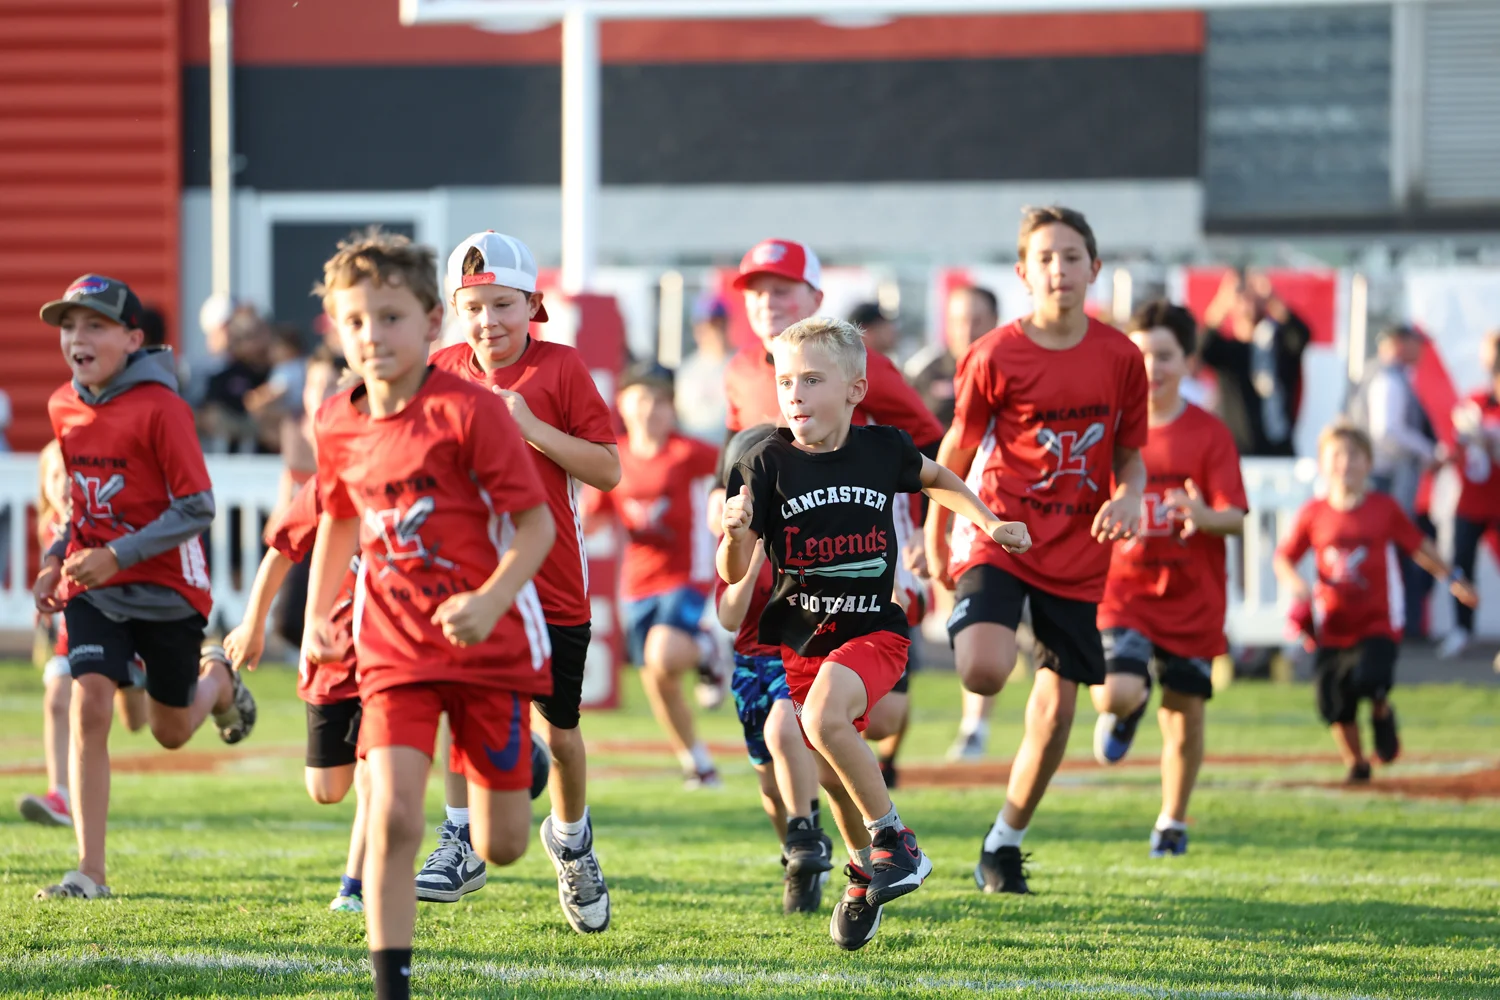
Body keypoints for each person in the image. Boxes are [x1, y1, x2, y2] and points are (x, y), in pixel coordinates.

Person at [720, 317, 1031, 950]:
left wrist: (988, 522)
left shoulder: (881, 448)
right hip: (802, 644)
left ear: (855, 390)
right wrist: (733, 532)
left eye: (812, 380)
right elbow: (733, 574)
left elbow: (939, 478)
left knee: (825, 719)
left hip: (873, 633)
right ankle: (865, 876)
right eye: (785, 382)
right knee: (834, 774)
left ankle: (895, 842)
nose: (795, 394)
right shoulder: (763, 461)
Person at [302, 230, 555, 1000]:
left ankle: (514, 772)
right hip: (394, 649)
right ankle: (392, 987)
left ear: (429, 324)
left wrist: (488, 601)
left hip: (490, 646)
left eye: (390, 318)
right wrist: (318, 616)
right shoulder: (336, 421)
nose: (372, 337)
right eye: (355, 321)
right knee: (394, 815)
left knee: (501, 844)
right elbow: (339, 518)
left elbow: (536, 524)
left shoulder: (471, 412)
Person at [925, 206, 1148, 896]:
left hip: (1080, 550)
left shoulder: (1121, 357)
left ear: (1095, 269)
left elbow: (1130, 456)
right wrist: (938, 540)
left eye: (1072, 256)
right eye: (1046, 258)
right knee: (985, 672)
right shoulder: (994, 353)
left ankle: (1004, 843)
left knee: (1055, 715)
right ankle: (989, 620)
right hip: (1001, 534)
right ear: (1024, 273)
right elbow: (952, 456)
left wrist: (1130, 495)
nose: (1060, 269)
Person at [31, 274, 257, 901]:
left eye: (95, 325)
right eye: (69, 326)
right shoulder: (62, 406)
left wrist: (119, 555)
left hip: (166, 589)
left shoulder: (163, 408)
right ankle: (89, 870)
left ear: (133, 339)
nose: (78, 337)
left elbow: (198, 506)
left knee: (169, 731)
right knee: (90, 703)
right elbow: (76, 503)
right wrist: (56, 557)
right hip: (95, 586)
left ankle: (218, 683)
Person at [425, 230, 618, 932]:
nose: (488, 322)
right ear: (454, 309)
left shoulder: (561, 369)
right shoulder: (437, 371)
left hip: (552, 581)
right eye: (473, 307)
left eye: (503, 305)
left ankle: (572, 843)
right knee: (455, 704)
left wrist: (527, 424)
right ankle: (456, 837)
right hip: (467, 580)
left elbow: (606, 470)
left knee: (559, 734)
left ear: (533, 303)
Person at [724, 239, 944, 793]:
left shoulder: (859, 363)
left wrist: (926, 528)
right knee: (795, 719)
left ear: (816, 295)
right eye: (757, 292)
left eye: (782, 290)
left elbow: (930, 443)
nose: (768, 302)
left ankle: (861, 803)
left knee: (877, 714)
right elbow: (736, 459)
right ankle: (817, 838)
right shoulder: (740, 371)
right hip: (787, 563)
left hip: (865, 550)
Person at [1092, 301, 1247, 857]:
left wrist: (1203, 516)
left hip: (1191, 596)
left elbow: (1234, 515)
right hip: (1123, 591)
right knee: (1115, 692)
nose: (1152, 367)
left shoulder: (1209, 433)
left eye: (1165, 355)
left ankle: (1172, 822)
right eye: (1141, 355)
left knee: (1184, 715)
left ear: (1187, 361)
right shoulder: (1107, 430)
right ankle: (1126, 711)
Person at [1274, 422, 1476, 784]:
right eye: (1336, 455)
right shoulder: (1314, 513)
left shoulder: (1383, 508)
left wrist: (1452, 577)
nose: (1345, 464)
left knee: (1371, 679)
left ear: (1368, 463)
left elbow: (1418, 547)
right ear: (1323, 463)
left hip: (1377, 621)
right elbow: (1284, 557)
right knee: (1334, 701)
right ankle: (1356, 762)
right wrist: (1297, 586)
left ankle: (1382, 712)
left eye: (1353, 455)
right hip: (1333, 624)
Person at [225, 473, 369, 913]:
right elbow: (282, 549)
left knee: (377, 771)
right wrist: (253, 623)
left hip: (391, 653)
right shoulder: (333, 479)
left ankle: (355, 886)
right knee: (325, 788)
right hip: (330, 655)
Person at [713, 423, 833, 915]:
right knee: (768, 783)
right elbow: (727, 616)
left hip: (799, 657)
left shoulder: (814, 528)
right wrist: (749, 549)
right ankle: (797, 856)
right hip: (749, 665)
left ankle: (806, 832)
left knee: (786, 729)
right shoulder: (737, 537)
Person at [588, 363, 726, 788]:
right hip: (637, 584)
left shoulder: (689, 453)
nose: (650, 410)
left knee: (662, 654)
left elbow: (736, 468)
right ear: (623, 404)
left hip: (688, 574)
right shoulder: (616, 455)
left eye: (660, 401)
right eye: (641, 399)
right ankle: (698, 764)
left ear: (672, 408)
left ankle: (707, 650)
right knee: (657, 679)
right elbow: (593, 514)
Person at [17, 441, 148, 828]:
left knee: (140, 721)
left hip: (118, 627)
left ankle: (201, 681)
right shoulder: (47, 529)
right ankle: (60, 793)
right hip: (71, 636)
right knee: (58, 700)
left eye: (70, 476)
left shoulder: (99, 525)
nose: (61, 484)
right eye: (54, 475)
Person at [1348, 323, 1439, 642]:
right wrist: (1429, 450)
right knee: (1400, 545)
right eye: (1416, 343)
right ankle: (1401, 622)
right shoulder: (1389, 378)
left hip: (1380, 478)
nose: (1421, 351)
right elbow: (1387, 432)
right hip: (1385, 480)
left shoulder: (1381, 374)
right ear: (1400, 343)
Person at [1199, 269, 1311, 458]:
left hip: (1279, 449)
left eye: (1253, 297)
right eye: (1243, 298)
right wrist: (1224, 300)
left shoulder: (1279, 347)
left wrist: (1272, 298)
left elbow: (1301, 335)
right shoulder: (1229, 351)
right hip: (1237, 450)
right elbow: (1202, 346)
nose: (1248, 303)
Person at [1447, 329, 1500, 658]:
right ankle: (1461, 629)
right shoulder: (1474, 403)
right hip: (1471, 502)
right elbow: (1459, 444)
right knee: (1461, 566)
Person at [905, 285, 999, 433]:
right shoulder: (921, 372)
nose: (967, 331)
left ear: (995, 320)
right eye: (960, 321)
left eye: (977, 321)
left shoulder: (1012, 371)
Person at [675, 293, 732, 442]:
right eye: (707, 325)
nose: (713, 330)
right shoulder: (686, 371)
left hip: (732, 452)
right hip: (696, 452)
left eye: (718, 323)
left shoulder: (742, 365)